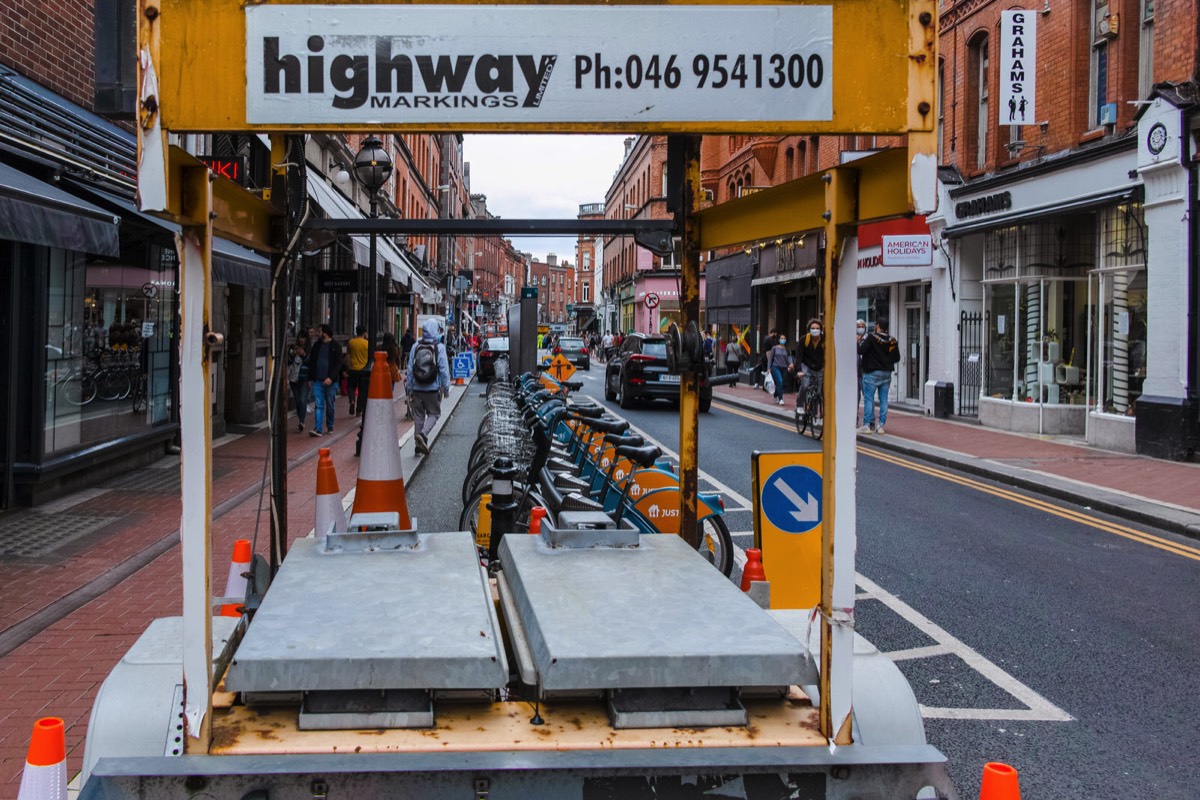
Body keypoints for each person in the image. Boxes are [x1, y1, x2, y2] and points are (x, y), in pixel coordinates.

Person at [406, 317, 451, 456]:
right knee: (434, 413)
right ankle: (424, 435)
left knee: (418, 416)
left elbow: (410, 369)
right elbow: (444, 370)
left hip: (417, 388)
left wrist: (409, 388)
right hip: (432, 389)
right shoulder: (439, 348)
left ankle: (417, 446)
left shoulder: (415, 346)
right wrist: (446, 388)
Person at [858, 317, 901, 434]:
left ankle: (866, 425)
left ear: (877, 326)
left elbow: (861, 350)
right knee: (884, 400)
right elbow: (897, 358)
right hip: (886, 374)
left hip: (872, 373)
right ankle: (881, 426)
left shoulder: (871, 338)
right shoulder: (893, 340)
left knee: (868, 399)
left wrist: (858, 342)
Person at [307, 324, 342, 437]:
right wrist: (310, 377)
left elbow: (338, 364)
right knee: (319, 404)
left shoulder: (336, 346)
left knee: (330, 404)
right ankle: (318, 429)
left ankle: (330, 425)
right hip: (318, 380)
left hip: (331, 381)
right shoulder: (317, 345)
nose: (318, 333)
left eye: (320, 331)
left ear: (325, 333)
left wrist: (331, 378)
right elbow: (312, 362)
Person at [287, 332, 310, 433]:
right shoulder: (293, 347)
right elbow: (288, 362)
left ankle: (302, 421)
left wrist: (304, 355)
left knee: (302, 400)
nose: (302, 339)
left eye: (304, 337)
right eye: (300, 337)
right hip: (293, 378)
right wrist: (292, 355)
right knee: (297, 401)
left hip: (304, 379)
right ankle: (301, 419)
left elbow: (311, 362)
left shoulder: (310, 349)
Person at [345, 325, 369, 416]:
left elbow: (348, 354)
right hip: (363, 370)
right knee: (362, 391)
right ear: (364, 333)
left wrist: (348, 366)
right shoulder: (367, 344)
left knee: (351, 387)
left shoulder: (351, 342)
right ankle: (359, 410)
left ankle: (352, 400)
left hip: (353, 369)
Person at [766, 333, 793, 405]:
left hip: (784, 368)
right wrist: (768, 368)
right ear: (779, 340)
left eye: (784, 339)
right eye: (781, 338)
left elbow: (789, 358)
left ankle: (775, 395)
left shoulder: (787, 349)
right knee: (780, 381)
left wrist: (791, 364)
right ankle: (781, 399)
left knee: (781, 384)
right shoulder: (774, 348)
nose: (783, 340)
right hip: (775, 367)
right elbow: (770, 359)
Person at [855, 319, 867, 425]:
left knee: (867, 397)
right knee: (855, 397)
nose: (860, 328)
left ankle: (869, 420)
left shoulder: (868, 339)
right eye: (858, 326)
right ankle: (854, 418)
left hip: (864, 373)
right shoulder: (852, 339)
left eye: (862, 326)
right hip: (854, 373)